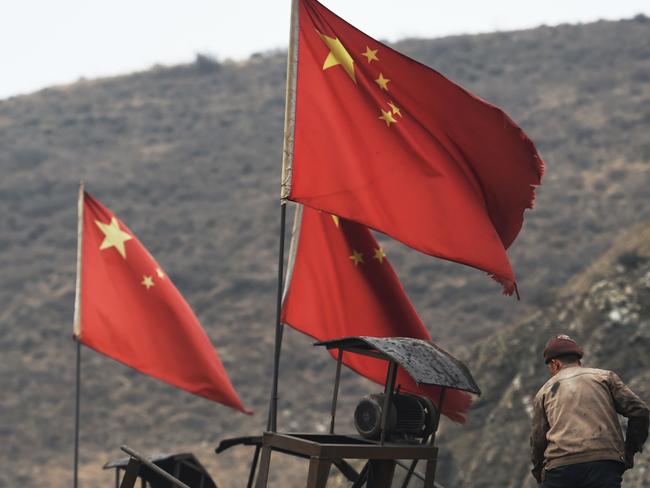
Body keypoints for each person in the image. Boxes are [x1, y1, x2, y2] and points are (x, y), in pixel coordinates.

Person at [530, 334, 649, 487]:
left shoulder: (545, 392)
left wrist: (539, 473)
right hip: (604, 465)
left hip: (562, 468)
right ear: (578, 360)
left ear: (555, 364)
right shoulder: (605, 378)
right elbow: (640, 411)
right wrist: (630, 450)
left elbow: (538, 439)